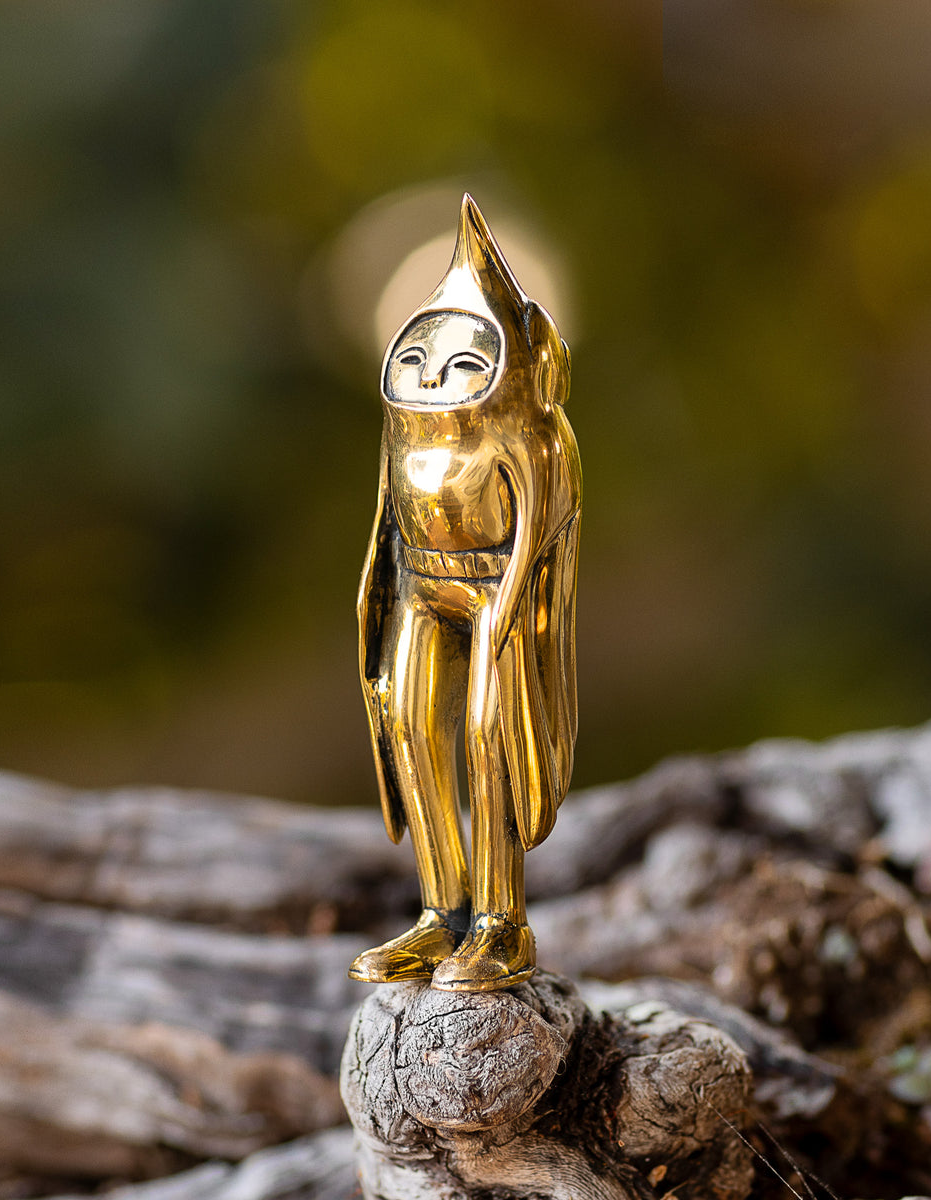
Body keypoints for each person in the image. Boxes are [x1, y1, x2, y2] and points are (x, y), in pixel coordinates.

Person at [350, 195, 581, 991]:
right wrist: (373, 628)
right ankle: (439, 910)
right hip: (420, 589)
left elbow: (533, 548)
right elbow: (385, 530)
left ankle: (500, 921)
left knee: (487, 735)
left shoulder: (534, 436)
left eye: (460, 363)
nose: (435, 376)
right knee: (411, 721)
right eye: (420, 359)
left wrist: (505, 645)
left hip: (496, 600)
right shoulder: (401, 435)